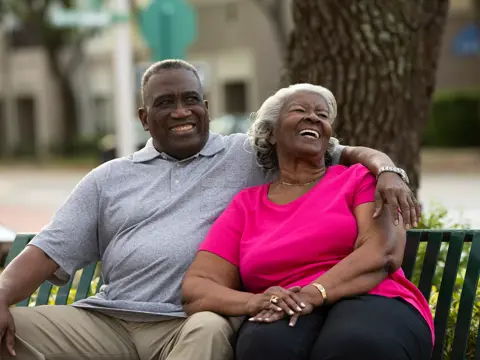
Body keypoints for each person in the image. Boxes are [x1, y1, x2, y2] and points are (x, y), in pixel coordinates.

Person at [0, 60, 418, 360]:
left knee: (210, 330)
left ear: (206, 107)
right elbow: (47, 250)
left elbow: (327, 147)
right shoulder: (107, 179)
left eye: (191, 100)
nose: (181, 111)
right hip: (108, 317)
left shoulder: (248, 153)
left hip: (190, 322)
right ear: (145, 118)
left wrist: (387, 168)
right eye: (166, 103)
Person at [182, 83, 433, 360]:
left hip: (373, 297)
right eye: (299, 110)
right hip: (287, 306)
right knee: (263, 347)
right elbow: (198, 288)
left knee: (354, 344)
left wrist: (314, 293)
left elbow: (383, 251)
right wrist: (255, 301)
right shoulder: (246, 205)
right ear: (271, 132)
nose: (313, 117)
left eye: (322, 115)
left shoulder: (358, 179)